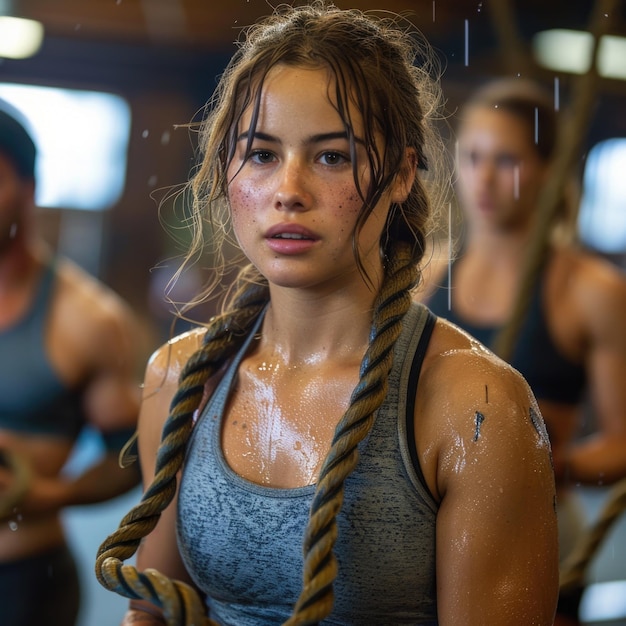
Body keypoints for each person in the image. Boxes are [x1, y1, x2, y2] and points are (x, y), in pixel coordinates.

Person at [96, 3, 559, 625]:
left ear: (399, 174)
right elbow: (153, 610)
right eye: (260, 154)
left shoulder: (475, 406)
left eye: (332, 156)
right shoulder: (180, 380)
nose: (289, 189)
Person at [417, 78, 626, 625]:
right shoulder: (425, 281)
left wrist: (560, 463)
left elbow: (624, 441)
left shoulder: (591, 291)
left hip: (538, 526)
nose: (483, 179)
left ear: (548, 171)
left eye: (506, 160)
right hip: (428, 527)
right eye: (472, 157)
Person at [0, 102, 143, 625]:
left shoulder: (86, 321)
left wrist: (45, 494)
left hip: (19, 584)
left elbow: (128, 456)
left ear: (29, 188)